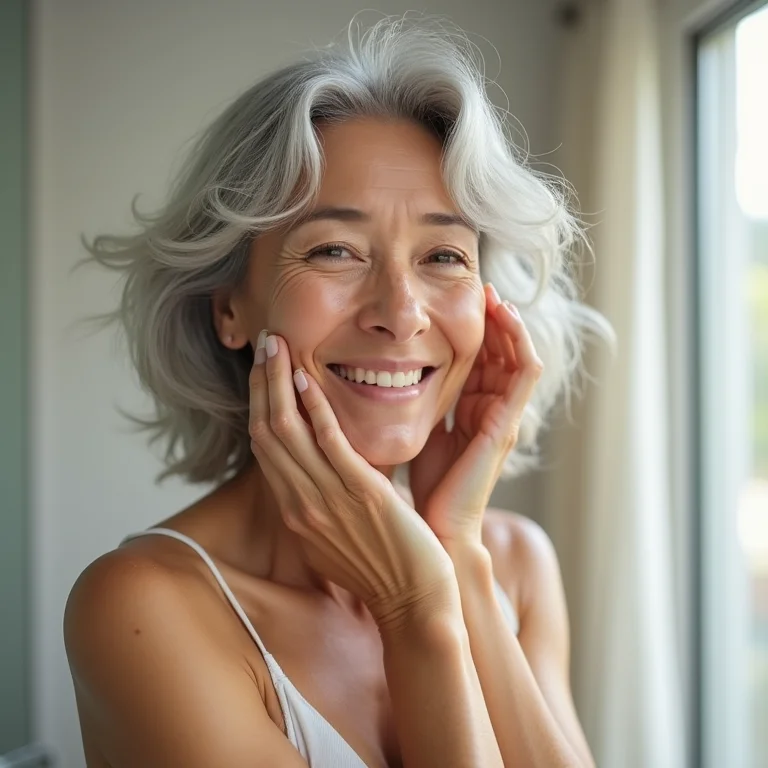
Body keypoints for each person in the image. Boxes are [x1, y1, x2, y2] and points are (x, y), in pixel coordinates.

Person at [64, 13, 609, 768]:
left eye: (444, 255)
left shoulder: (514, 564)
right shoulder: (143, 607)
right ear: (230, 308)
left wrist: (456, 558)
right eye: (334, 250)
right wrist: (416, 611)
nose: (401, 312)